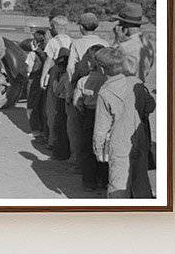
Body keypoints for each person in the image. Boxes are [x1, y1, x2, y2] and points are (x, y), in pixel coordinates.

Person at [93, 46, 147, 198]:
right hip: (140, 139)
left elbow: (101, 128)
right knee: (140, 181)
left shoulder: (105, 92)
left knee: (119, 185)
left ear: (102, 70)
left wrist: (99, 150)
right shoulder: (135, 82)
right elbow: (150, 106)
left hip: (119, 144)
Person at [69, 43, 105, 190]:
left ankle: (89, 182)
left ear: (91, 62)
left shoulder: (83, 81)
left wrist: (82, 111)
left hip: (89, 115)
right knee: (104, 149)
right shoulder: (107, 80)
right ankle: (104, 180)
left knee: (88, 149)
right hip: (105, 116)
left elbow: (76, 102)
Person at [41, 15, 72, 155]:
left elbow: (49, 60)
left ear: (54, 27)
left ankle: (52, 140)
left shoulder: (53, 41)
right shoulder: (71, 40)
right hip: (67, 76)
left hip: (55, 74)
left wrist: (43, 76)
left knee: (51, 109)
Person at [112, 3, 153, 82]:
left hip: (124, 88)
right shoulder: (148, 44)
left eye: (119, 22)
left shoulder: (123, 47)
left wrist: (117, 39)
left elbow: (108, 61)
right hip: (140, 86)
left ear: (124, 25)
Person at [24, 29, 48, 137]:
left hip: (34, 79)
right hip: (44, 79)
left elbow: (29, 68)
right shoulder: (47, 52)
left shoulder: (32, 54)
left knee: (32, 105)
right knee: (42, 104)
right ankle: (43, 128)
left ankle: (35, 129)